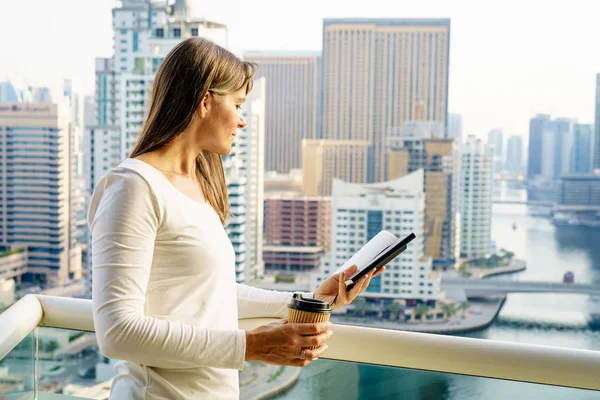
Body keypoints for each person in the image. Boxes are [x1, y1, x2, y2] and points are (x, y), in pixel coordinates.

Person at [88, 37, 384, 399]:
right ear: (205, 100)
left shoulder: (197, 185)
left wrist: (308, 301)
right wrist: (252, 346)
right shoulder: (134, 188)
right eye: (239, 104)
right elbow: (118, 332)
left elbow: (211, 294)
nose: (243, 121)